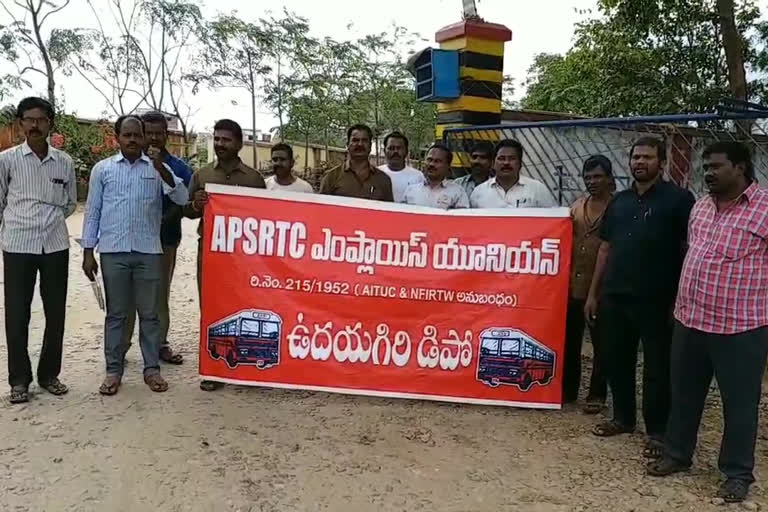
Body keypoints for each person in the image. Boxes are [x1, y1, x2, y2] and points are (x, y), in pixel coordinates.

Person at [647, 142, 768, 504]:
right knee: (684, 394)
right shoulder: (699, 207)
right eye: (706, 167)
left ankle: (736, 473)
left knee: (740, 404)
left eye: (716, 166)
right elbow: (693, 255)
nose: (708, 173)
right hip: (691, 319)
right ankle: (678, 454)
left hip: (741, 327)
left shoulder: (764, 209)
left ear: (741, 167)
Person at [584, 137, 695, 459]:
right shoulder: (619, 202)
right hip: (616, 295)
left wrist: (680, 298)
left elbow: (688, 250)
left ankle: (658, 431)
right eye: (635, 157)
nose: (640, 162)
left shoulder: (679, 200)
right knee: (617, 359)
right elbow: (605, 248)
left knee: (658, 367)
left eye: (647, 157)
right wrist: (594, 293)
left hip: (658, 298)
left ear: (661, 162)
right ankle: (623, 418)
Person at [81, 115, 188, 396]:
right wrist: (88, 252)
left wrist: (160, 168)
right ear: (117, 137)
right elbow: (92, 212)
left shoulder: (156, 169)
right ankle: (113, 371)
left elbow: (181, 196)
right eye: (126, 135)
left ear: (143, 137)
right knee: (116, 314)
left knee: (150, 314)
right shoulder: (102, 170)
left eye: (136, 135)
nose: (132, 140)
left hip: (148, 252)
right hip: (113, 252)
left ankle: (151, 369)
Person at [0, 97, 76, 404]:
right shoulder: (6, 160)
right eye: (28, 120)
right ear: (20, 124)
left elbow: (70, 203)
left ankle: (49, 375)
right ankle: (19, 380)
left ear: (49, 124)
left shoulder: (64, 162)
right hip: (18, 245)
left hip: (55, 245)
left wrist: (50, 220)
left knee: (55, 312)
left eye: (40, 120)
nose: (34, 125)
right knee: (17, 313)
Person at [183, 119, 266, 392]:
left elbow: (265, 217)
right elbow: (187, 210)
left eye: (226, 140)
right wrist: (195, 204)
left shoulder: (254, 180)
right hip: (210, 254)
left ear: (239, 144)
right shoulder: (202, 175)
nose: (220, 144)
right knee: (211, 308)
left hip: (244, 258)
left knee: (245, 308)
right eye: (216, 139)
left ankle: (245, 366)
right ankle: (213, 369)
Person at [122, 111, 192, 366]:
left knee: (160, 294)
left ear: (166, 134)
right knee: (128, 295)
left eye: (158, 132)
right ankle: (122, 344)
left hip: (165, 239)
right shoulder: (128, 164)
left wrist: (161, 220)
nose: (153, 137)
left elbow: (183, 201)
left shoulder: (179, 167)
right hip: (131, 240)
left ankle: (159, 343)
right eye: (147, 132)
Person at [562, 155, 613, 412]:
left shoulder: (618, 207)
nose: (592, 182)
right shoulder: (577, 206)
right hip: (573, 285)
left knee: (602, 344)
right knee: (570, 341)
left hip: (603, 287)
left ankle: (597, 395)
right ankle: (568, 390)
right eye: (588, 177)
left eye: (597, 176)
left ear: (609, 178)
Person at [470, 139, 555, 208]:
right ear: (493, 164)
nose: (506, 163)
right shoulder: (479, 192)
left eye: (512, 158)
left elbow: (551, 220)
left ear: (520, 163)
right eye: (501, 158)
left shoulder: (537, 190)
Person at [320, 124, 393, 202]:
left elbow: (389, 212)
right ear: (347, 145)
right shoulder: (331, 177)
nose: (360, 144)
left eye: (364, 140)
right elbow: (322, 210)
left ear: (370, 146)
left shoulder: (383, 179)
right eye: (355, 140)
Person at [403, 144, 469, 209]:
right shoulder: (411, 190)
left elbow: (462, 218)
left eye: (437, 161)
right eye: (429, 160)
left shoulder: (457, 193)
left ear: (448, 166)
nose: (431, 164)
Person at [377, 131, 422, 202]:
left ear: (406, 151)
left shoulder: (418, 176)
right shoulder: (376, 174)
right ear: (385, 151)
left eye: (399, 148)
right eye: (391, 148)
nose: (395, 152)